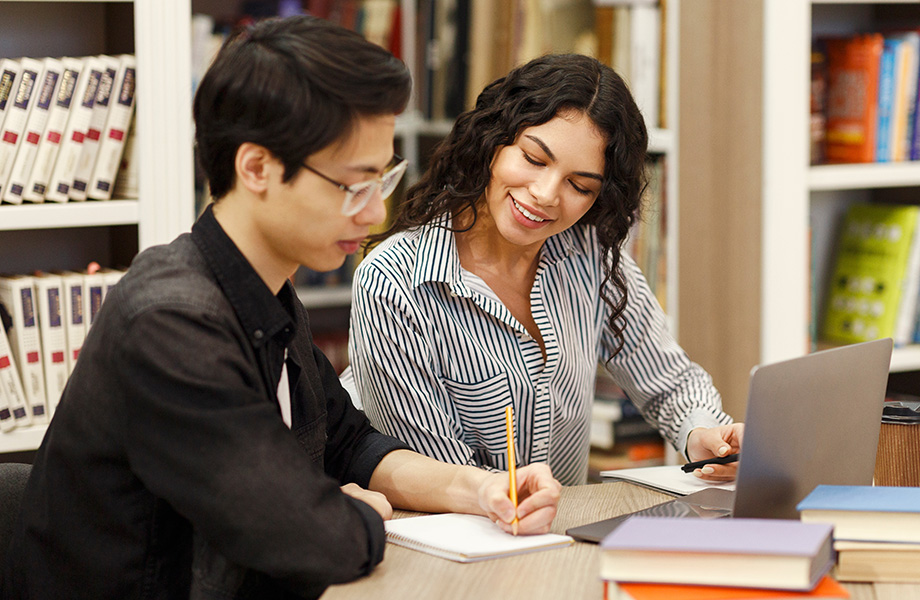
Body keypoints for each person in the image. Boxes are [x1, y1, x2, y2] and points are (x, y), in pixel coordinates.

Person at [1, 16, 561, 600]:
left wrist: (483, 489)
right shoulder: (172, 321)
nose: (374, 214)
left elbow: (351, 444)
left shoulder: (264, 290)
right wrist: (341, 511)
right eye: (354, 185)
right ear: (256, 168)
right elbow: (304, 535)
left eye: (384, 179)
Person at [345, 53, 744, 488]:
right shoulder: (395, 281)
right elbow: (441, 479)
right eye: (535, 159)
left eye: (579, 186)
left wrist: (702, 434)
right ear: (493, 141)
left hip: (560, 540)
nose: (545, 195)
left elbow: (670, 382)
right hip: (460, 540)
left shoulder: (587, 250)